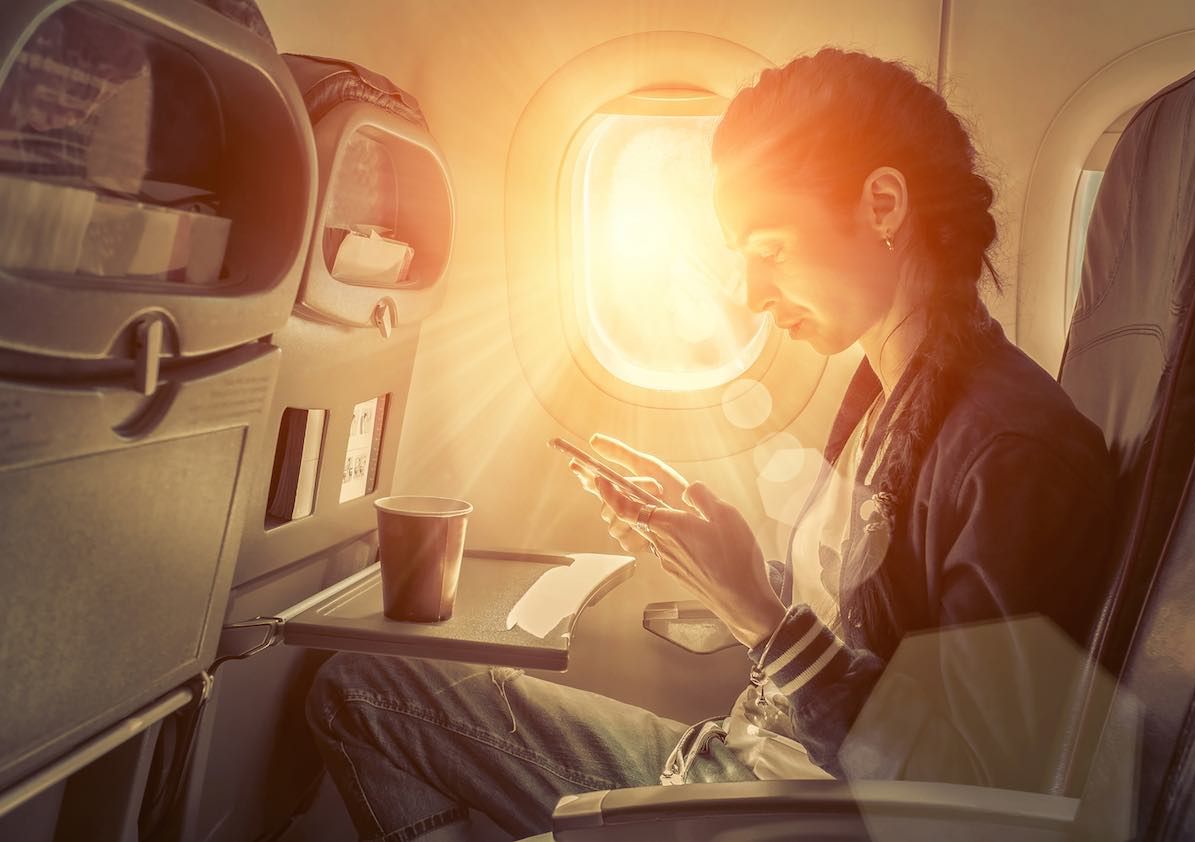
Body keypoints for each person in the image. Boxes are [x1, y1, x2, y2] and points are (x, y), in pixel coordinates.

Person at [306, 48, 1114, 841]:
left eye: (770, 250)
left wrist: (757, 615)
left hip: (781, 816)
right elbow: (861, 624)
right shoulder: (884, 393)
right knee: (357, 688)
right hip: (729, 769)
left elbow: (966, 800)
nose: (755, 295)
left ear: (883, 204)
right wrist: (712, 558)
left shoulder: (1008, 453)